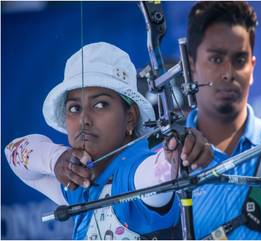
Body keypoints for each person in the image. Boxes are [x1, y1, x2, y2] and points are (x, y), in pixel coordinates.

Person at [6, 2, 261, 240]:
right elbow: (155, 171)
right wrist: (55, 159)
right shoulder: (135, 160)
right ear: (190, 66)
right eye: (215, 59)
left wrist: (186, 160)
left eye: (239, 60)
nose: (227, 74)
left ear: (253, 67)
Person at [5, 41, 213, 240]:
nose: (84, 119)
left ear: (130, 116)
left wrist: (176, 154)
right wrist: (56, 159)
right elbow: (12, 153)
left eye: (100, 105)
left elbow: (157, 173)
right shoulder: (80, 182)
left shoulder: (135, 169)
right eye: (74, 108)